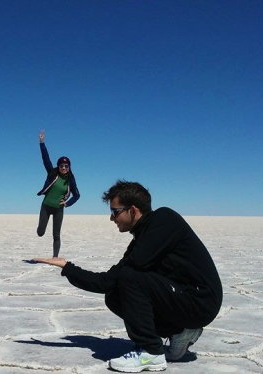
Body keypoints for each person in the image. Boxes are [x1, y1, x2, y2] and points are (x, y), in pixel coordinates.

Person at [34, 180, 222, 372]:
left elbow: (122, 276)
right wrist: (67, 267)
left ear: (132, 210)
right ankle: (179, 331)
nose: (112, 218)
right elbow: (108, 283)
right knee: (115, 295)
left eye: (115, 212)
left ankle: (151, 352)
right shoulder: (143, 235)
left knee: (129, 278)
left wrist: (69, 268)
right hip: (183, 297)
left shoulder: (163, 221)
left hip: (201, 301)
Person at [36, 130, 80, 258]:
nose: (64, 168)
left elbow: (77, 195)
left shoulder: (70, 179)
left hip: (58, 209)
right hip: (46, 206)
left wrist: (67, 203)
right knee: (40, 232)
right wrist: (42, 142)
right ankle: (40, 230)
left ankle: (55, 257)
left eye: (66, 166)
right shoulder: (52, 173)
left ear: (69, 167)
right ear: (58, 166)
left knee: (56, 235)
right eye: (62, 165)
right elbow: (46, 159)